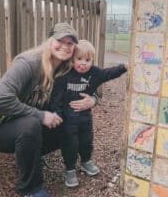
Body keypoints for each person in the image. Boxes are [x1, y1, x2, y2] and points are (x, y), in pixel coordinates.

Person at [0, 23, 97, 197]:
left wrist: (93, 99)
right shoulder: (28, 63)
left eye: (70, 43)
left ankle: (30, 153)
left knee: (68, 120)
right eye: (60, 40)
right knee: (31, 124)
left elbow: (91, 81)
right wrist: (40, 115)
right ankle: (31, 187)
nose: (65, 46)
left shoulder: (67, 68)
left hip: (25, 125)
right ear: (49, 41)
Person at [50, 39, 127, 187]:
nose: (83, 63)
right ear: (72, 59)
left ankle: (86, 161)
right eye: (79, 59)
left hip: (85, 118)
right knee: (70, 144)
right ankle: (70, 169)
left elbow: (109, 73)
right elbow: (56, 98)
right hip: (68, 120)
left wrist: (124, 67)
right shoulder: (64, 76)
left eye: (88, 60)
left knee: (87, 140)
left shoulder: (94, 73)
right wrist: (57, 114)